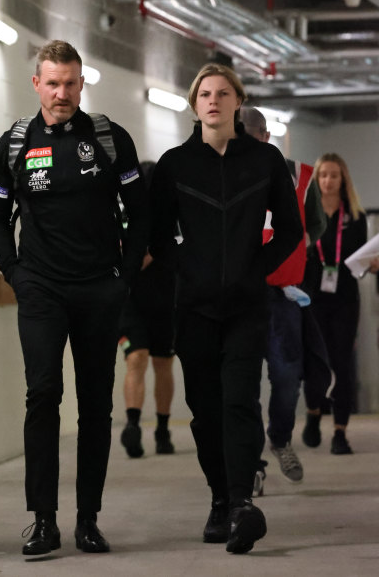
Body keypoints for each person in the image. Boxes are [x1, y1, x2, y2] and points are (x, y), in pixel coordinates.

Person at [0, 40, 148, 555]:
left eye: (70, 83)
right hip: (41, 290)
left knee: (96, 407)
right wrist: (15, 272)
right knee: (43, 396)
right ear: (36, 84)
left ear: (82, 83)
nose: (61, 93)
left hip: (100, 288)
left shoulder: (108, 139)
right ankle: (44, 520)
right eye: (52, 83)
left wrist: (123, 275)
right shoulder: (13, 145)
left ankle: (88, 520)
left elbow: (141, 210)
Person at [149, 64, 302, 554]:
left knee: (239, 401)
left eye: (222, 93)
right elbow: (156, 235)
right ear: (195, 105)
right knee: (204, 411)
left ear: (238, 100)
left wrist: (256, 268)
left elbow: (292, 230)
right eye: (204, 94)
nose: (213, 101)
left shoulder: (265, 160)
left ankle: (241, 505)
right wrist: (187, 268)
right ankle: (219, 497)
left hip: (245, 306)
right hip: (193, 308)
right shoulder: (175, 164)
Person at [240, 107, 327, 494]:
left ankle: (280, 437)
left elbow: (316, 224)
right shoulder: (225, 172)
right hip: (238, 295)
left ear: (264, 137)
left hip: (282, 296)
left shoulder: (300, 176)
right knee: (243, 384)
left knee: (288, 377)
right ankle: (252, 462)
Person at [302, 153, 368, 455]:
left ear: (343, 180)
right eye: (323, 175)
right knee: (316, 364)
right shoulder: (305, 213)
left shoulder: (355, 216)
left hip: (344, 299)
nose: (328, 181)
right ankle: (314, 411)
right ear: (316, 179)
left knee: (342, 365)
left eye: (334, 175)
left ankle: (340, 432)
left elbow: (360, 259)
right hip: (313, 298)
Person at [118, 161, 176, 458]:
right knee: (136, 359)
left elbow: (182, 247)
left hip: (165, 299)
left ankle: (163, 429)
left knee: (162, 363)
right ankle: (132, 425)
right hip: (130, 301)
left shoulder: (170, 216)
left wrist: (154, 252)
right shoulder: (122, 212)